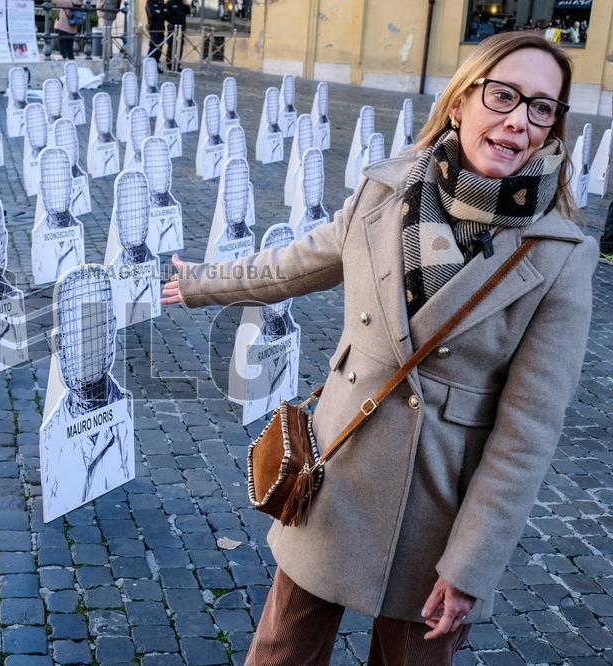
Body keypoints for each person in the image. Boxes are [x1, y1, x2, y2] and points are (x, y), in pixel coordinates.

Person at [162, 31, 597, 664]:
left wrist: (471, 564)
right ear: (460, 102)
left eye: (541, 107)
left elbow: (527, 431)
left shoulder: (559, 256)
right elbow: (298, 263)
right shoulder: (387, 193)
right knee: (282, 650)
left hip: (439, 506)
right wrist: (202, 282)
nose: (517, 121)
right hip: (335, 468)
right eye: (502, 96)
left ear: (554, 128)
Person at [164, 0, 187, 71]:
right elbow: (166, 15)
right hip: (173, 28)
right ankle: (170, 64)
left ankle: (177, 65)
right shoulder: (169, 3)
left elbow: (188, 12)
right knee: (172, 46)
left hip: (181, 29)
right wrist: (173, 21)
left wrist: (186, 5)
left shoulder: (181, 3)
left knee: (179, 47)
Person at [146, 0, 166, 69]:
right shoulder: (150, 2)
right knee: (153, 47)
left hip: (161, 28)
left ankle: (155, 66)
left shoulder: (161, 3)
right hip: (154, 28)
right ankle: (149, 66)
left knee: (159, 49)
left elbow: (166, 13)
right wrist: (161, 13)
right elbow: (152, 14)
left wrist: (160, 12)